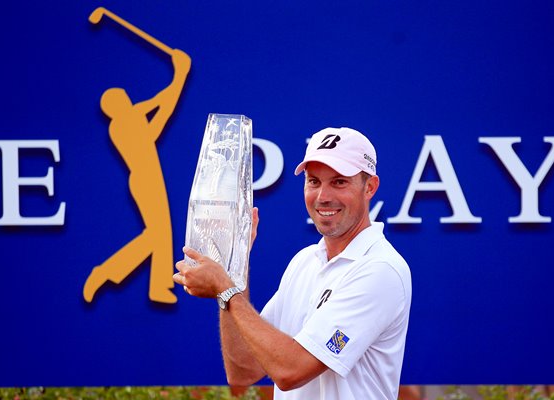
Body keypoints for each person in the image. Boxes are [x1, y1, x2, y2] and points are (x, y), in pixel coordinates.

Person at [174, 127, 412, 399]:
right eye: (314, 181)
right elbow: (243, 371)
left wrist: (225, 288)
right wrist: (234, 265)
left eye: (339, 182)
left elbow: (291, 371)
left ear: (369, 187)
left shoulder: (381, 269)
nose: (323, 196)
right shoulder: (304, 262)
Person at [84, 49, 191, 304]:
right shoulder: (123, 123)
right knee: (154, 236)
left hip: (148, 177)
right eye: (121, 98)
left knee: (161, 234)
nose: (127, 99)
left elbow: (161, 109)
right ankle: (106, 272)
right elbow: (160, 105)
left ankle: (158, 286)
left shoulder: (129, 118)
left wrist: (179, 77)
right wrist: (180, 74)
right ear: (114, 107)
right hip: (144, 180)